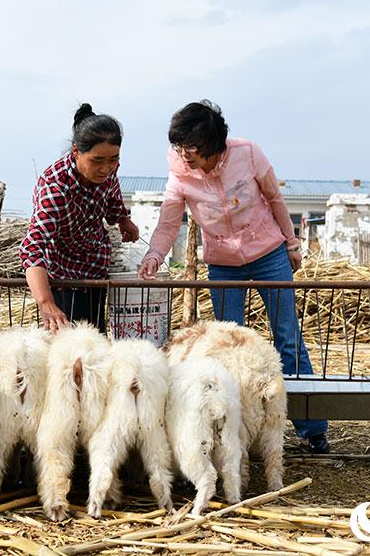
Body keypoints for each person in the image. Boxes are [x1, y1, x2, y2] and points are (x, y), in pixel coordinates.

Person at [137, 100, 330, 454]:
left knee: (287, 336)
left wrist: (291, 243)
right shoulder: (180, 170)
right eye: (179, 147)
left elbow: (274, 198)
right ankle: (237, 432)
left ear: (214, 145)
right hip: (223, 262)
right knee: (228, 346)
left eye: (191, 148)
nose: (184, 155)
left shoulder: (247, 154)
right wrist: (154, 254)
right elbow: (168, 221)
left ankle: (312, 428)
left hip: (269, 253)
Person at [19, 103, 139, 334]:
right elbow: (32, 248)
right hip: (63, 280)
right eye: (97, 161)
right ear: (76, 152)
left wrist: (123, 219)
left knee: (97, 341)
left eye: (113, 159)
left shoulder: (108, 172)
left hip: (95, 274)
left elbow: (113, 197)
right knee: (70, 351)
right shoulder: (55, 188)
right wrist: (46, 302)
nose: (106, 169)